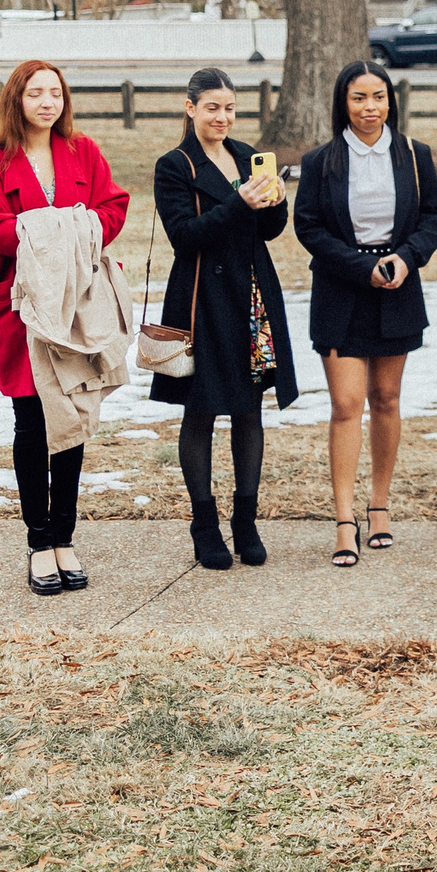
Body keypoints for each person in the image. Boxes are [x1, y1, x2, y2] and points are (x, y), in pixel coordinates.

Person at [0, 59, 130, 596]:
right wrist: (68, 227)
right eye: (34, 93)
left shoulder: (84, 152)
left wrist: (65, 227)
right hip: (19, 309)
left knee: (73, 417)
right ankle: (38, 543)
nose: (46, 102)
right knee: (33, 424)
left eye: (54, 92)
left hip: (77, 307)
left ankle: (65, 538)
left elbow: (113, 209)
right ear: (16, 100)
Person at [295, 60, 437, 568]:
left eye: (378, 97)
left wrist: (406, 259)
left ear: (391, 101)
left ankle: (379, 506)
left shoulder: (413, 154)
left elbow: (433, 218)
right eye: (359, 98)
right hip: (342, 289)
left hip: (398, 286)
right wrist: (362, 270)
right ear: (344, 102)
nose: (370, 108)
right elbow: (309, 227)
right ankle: (344, 519)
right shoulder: (321, 160)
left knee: (386, 399)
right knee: (346, 403)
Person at [149, 68, 296, 572]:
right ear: (190, 108)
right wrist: (238, 202)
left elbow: (269, 230)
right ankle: (204, 524)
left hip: (251, 294)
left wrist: (275, 201)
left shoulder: (244, 154)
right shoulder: (174, 165)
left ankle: (245, 521)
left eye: (230, 107)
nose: (223, 117)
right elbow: (184, 237)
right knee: (202, 409)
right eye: (212, 107)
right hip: (200, 297)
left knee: (250, 409)